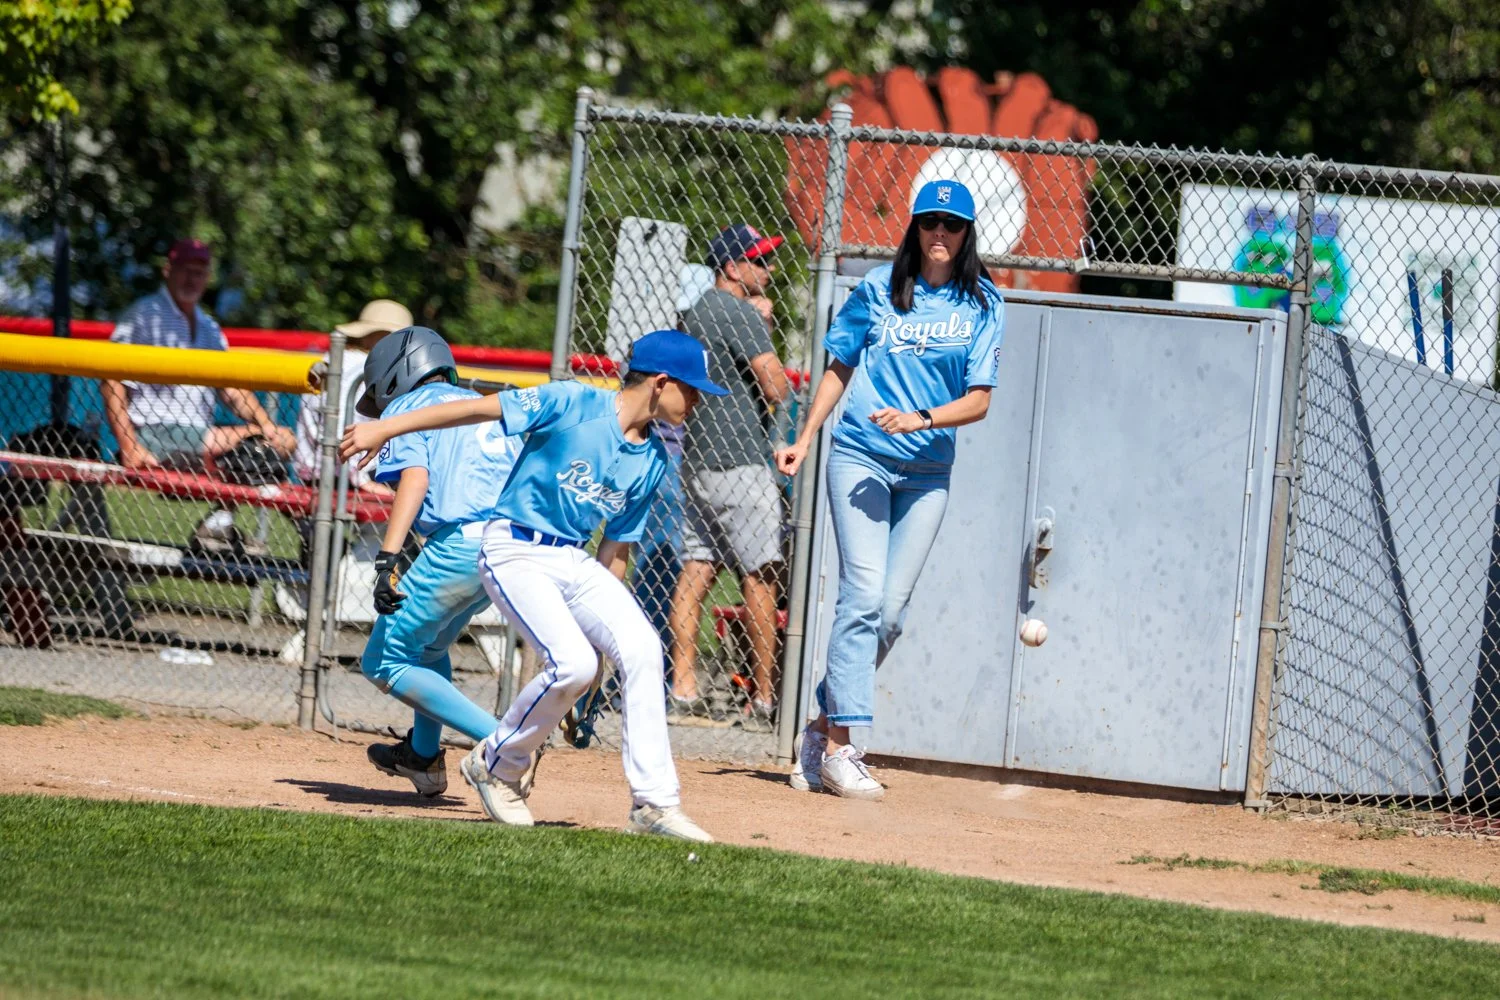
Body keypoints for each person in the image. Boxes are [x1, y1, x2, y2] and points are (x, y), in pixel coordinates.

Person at [342, 329, 729, 842]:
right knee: (572, 664)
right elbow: (473, 410)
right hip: (514, 545)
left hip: (571, 558)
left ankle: (654, 805)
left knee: (640, 650)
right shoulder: (572, 401)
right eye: (692, 388)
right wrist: (383, 428)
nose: (698, 400)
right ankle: (495, 761)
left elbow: (614, 553)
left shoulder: (653, 460)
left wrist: (604, 651)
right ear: (661, 382)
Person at [775, 180, 1004, 800]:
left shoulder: (984, 302)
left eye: (951, 224)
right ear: (914, 228)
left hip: (927, 470)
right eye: (929, 221)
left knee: (891, 613)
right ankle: (843, 750)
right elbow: (840, 365)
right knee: (862, 595)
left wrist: (921, 419)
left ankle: (818, 731)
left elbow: (979, 401)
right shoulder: (879, 288)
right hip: (861, 457)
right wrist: (805, 436)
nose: (939, 233)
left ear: (967, 233)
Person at [352, 326, 527, 798]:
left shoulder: (409, 407)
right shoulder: (483, 405)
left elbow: (415, 477)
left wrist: (387, 558)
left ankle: (507, 746)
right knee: (427, 650)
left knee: (383, 662)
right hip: (507, 547)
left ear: (396, 376)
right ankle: (423, 758)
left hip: (460, 546)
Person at [668, 224, 790, 729]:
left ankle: (683, 688)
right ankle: (765, 699)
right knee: (761, 574)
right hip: (740, 459)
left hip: (698, 458)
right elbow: (776, 386)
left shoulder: (696, 310)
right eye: (758, 261)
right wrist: (764, 328)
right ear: (732, 268)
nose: (769, 269)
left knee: (697, 571)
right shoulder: (740, 312)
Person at [101, 238, 296, 554]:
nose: (192, 279)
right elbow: (111, 379)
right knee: (251, 445)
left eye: (200, 272)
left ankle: (218, 526)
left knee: (281, 442)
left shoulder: (208, 327)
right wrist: (129, 446)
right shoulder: (143, 315)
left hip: (200, 438)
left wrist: (266, 426)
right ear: (168, 270)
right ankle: (223, 527)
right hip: (154, 434)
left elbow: (231, 388)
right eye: (185, 270)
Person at [293, 298, 414, 497]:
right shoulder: (367, 368)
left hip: (312, 470)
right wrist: (361, 480)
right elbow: (340, 426)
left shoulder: (332, 359)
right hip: (350, 473)